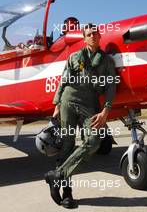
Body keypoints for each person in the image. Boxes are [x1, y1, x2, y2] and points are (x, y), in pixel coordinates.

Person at [45, 23, 116, 208]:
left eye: (95, 33)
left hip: (90, 103)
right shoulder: (74, 57)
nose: (92, 35)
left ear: (100, 37)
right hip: (69, 99)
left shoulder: (107, 61)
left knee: (94, 140)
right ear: (84, 39)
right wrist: (57, 104)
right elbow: (64, 79)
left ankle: (58, 175)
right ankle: (67, 193)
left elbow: (111, 86)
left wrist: (106, 110)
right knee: (67, 144)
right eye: (89, 34)